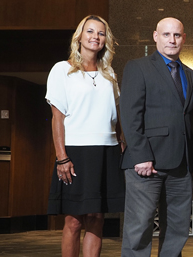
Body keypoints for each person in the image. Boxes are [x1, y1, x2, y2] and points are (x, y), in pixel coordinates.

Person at [119, 17, 193, 257]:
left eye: (177, 35)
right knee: (139, 229)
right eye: (166, 35)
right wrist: (141, 155)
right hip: (146, 164)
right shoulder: (138, 67)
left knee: (177, 230)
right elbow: (130, 115)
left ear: (184, 39)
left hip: (182, 166)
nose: (172, 40)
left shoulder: (192, 75)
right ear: (156, 36)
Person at [45, 15, 126, 257]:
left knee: (97, 218)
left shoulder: (109, 72)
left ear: (106, 39)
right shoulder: (62, 69)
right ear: (79, 36)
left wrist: (121, 144)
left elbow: (115, 116)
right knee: (74, 221)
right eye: (90, 31)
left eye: (101, 33)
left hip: (107, 152)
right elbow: (57, 118)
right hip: (76, 153)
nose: (95, 37)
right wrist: (62, 157)